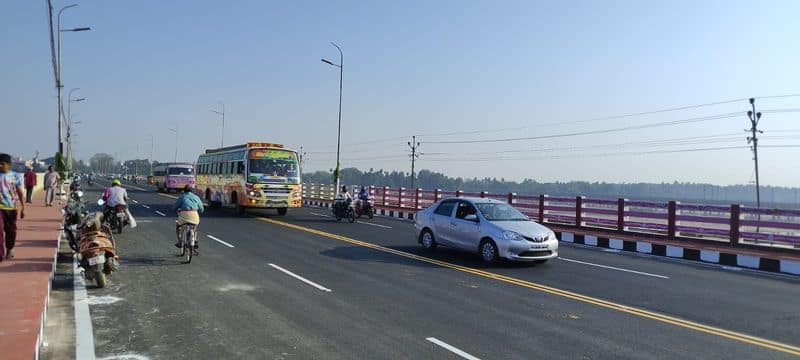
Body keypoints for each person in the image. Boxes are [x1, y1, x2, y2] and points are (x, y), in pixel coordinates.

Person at [0, 153, 25, 261]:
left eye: (2, 164)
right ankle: (0, 255)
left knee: (11, 231)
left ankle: (10, 248)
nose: (0, 166)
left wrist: (23, 207)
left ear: (8, 165)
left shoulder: (15, 176)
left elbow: (20, 192)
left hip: (11, 208)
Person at [172, 185, 204, 250]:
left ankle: (180, 241)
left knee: (178, 226)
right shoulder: (196, 197)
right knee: (195, 227)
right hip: (194, 216)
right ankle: (194, 240)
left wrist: (176, 210)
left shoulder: (182, 197)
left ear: (184, 190)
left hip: (184, 215)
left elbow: (174, 208)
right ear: (192, 191)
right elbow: (201, 209)